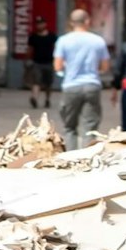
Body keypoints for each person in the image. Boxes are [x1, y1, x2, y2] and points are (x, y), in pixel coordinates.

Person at [52, 8, 110, 148]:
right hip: (92, 85)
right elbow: (105, 66)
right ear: (87, 21)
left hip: (71, 86)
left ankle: (71, 154)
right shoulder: (98, 41)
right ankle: (87, 155)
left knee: (69, 127)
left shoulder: (63, 41)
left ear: (71, 23)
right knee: (90, 127)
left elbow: (57, 66)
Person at [25, 22, 57, 109]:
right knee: (36, 81)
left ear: (45, 25)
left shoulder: (51, 36)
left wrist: (57, 60)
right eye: (38, 24)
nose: (39, 26)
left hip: (49, 63)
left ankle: (47, 99)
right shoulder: (33, 37)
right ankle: (34, 98)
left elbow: (56, 48)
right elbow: (30, 49)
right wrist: (27, 60)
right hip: (37, 63)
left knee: (48, 84)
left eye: (41, 24)